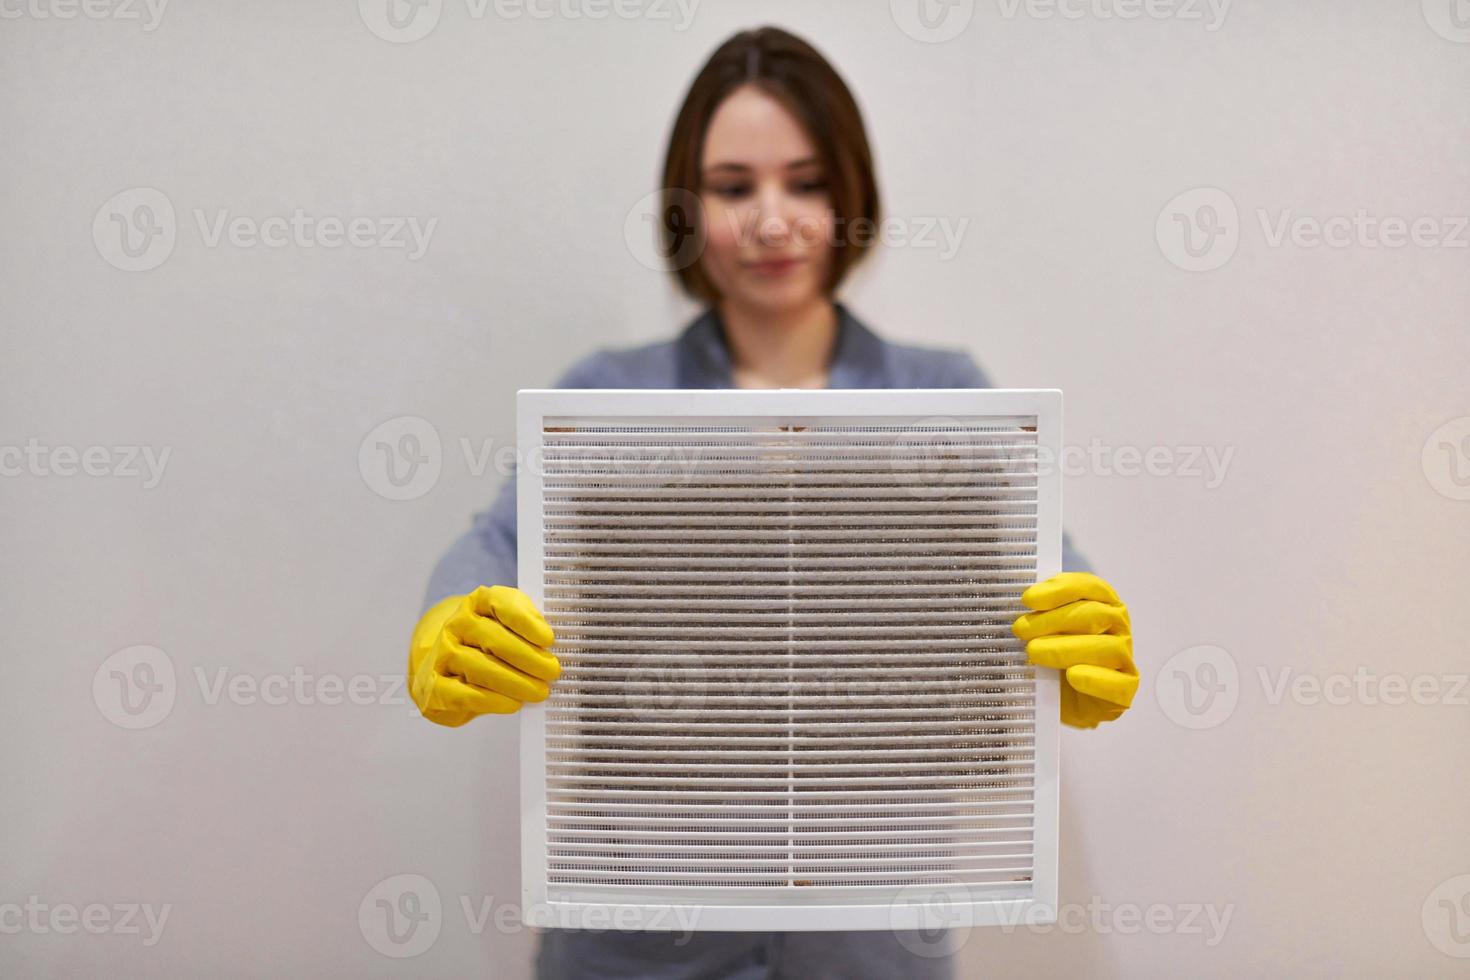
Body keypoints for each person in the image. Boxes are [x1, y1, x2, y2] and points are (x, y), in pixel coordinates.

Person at [407, 25, 1138, 980]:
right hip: (634, 945)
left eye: (806, 181)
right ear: (686, 205)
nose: (772, 219)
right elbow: (497, 545)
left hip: (874, 944)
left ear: (851, 198)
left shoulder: (945, 402)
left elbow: (1043, 570)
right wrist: (449, 619)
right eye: (733, 186)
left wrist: (1076, 635)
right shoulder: (607, 403)